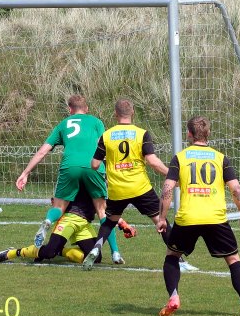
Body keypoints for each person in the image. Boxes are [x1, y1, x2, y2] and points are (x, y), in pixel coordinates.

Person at [156, 116, 240, 316]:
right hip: (215, 219)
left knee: (172, 256)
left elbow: (167, 188)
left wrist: (162, 217)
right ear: (208, 133)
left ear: (189, 134)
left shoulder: (180, 158)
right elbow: (236, 190)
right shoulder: (220, 158)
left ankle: (174, 296)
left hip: (188, 218)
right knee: (233, 260)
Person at [82, 99, 198, 272]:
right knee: (161, 221)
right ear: (133, 113)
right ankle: (179, 261)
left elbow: (94, 164)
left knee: (110, 221)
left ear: (115, 114)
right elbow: (153, 162)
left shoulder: (106, 136)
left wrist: (109, 159)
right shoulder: (141, 134)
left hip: (117, 189)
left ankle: (96, 248)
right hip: (140, 187)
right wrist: (173, 175)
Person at [15, 94, 124, 263]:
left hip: (70, 166)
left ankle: (48, 220)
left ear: (70, 109)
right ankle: (115, 252)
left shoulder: (63, 124)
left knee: (59, 207)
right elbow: (104, 147)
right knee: (103, 211)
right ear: (86, 109)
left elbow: (43, 151)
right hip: (93, 166)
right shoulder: (96, 122)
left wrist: (25, 173)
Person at [0, 184, 135, 265]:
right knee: (49, 253)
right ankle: (13, 252)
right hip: (69, 219)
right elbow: (59, 199)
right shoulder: (81, 173)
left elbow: (104, 209)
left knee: (95, 258)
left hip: (85, 223)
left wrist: (123, 223)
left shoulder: (99, 177)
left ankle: (61, 251)